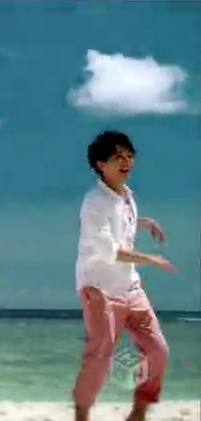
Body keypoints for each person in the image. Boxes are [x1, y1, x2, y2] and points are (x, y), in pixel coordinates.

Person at [72, 130, 175, 421]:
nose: (126, 162)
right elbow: (111, 250)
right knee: (99, 358)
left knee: (158, 351)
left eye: (130, 156)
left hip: (131, 288)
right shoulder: (93, 203)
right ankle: (81, 414)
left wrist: (144, 221)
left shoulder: (126, 195)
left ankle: (138, 413)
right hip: (100, 291)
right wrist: (150, 259)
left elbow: (120, 218)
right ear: (101, 164)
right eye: (119, 157)